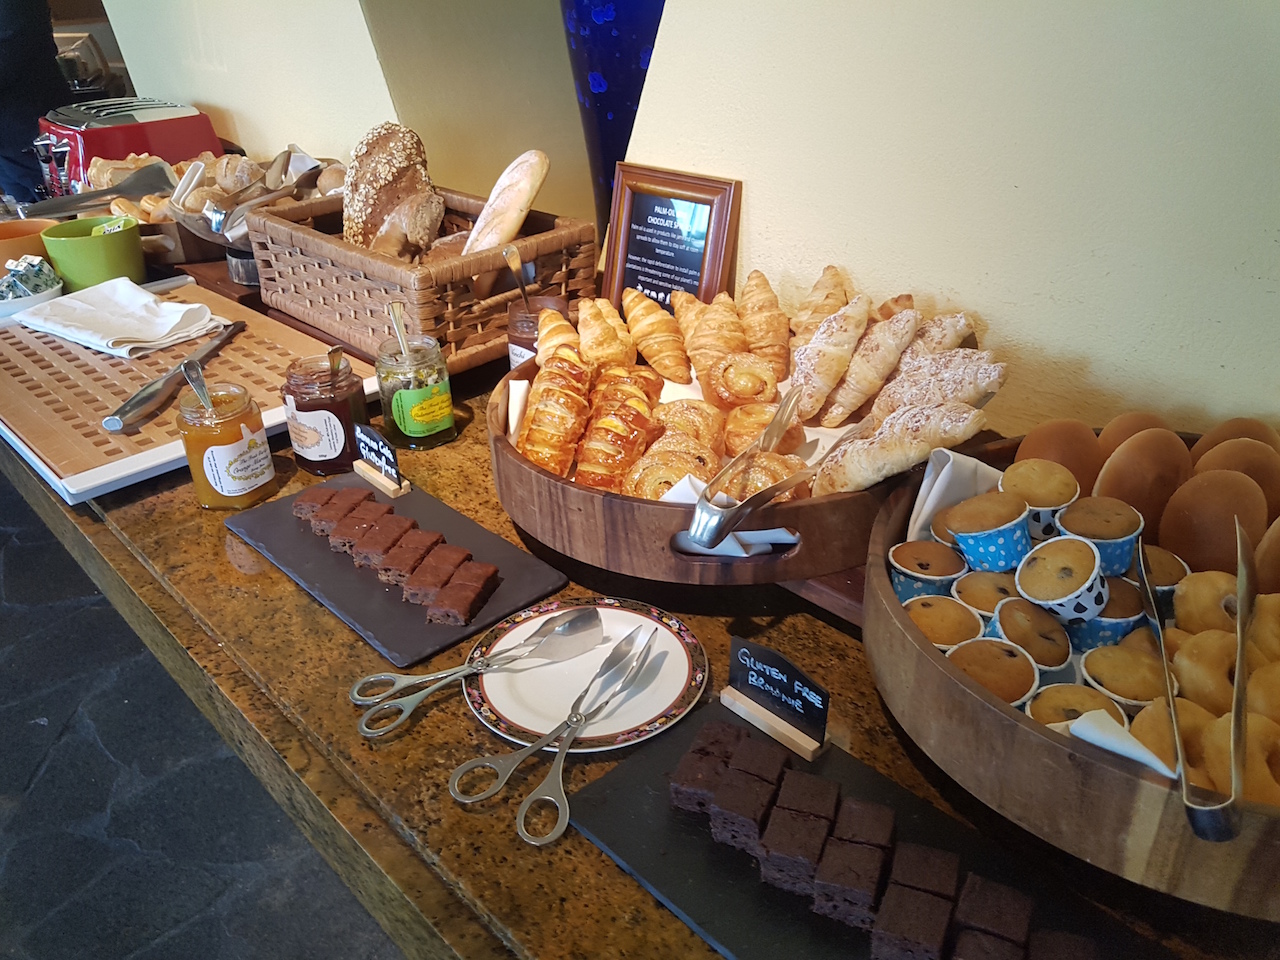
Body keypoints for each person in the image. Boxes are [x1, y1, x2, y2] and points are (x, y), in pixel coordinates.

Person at [0, 0, 73, 201]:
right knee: (25, 211)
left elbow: (14, 49)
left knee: (63, 210)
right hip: (12, 139)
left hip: (33, 133)